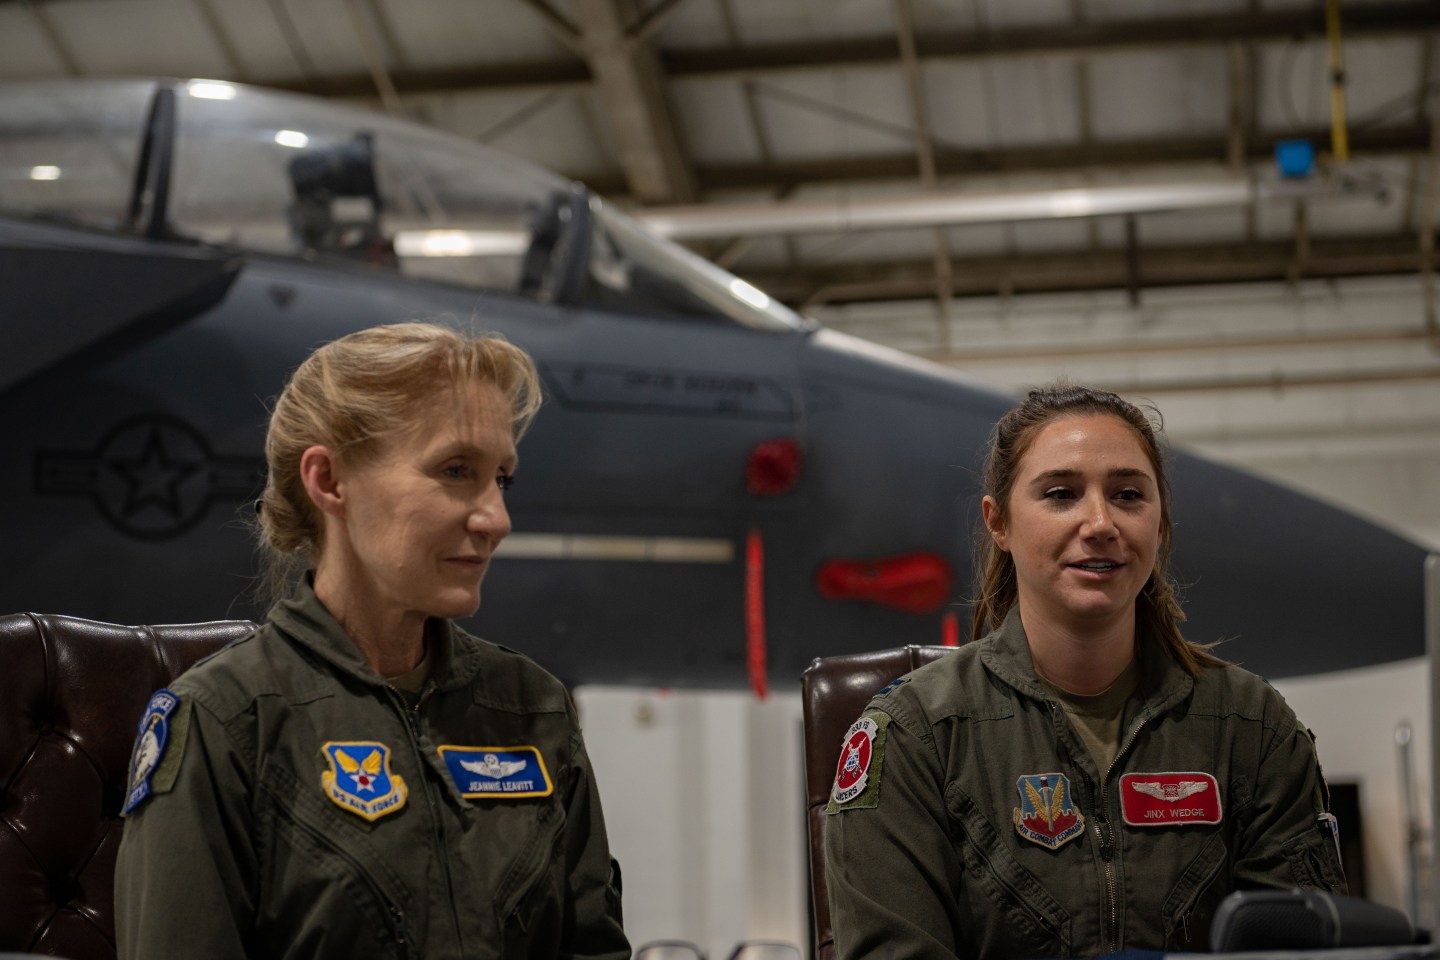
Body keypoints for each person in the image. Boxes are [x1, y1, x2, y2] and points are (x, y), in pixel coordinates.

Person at [115, 322, 629, 960]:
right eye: (456, 470)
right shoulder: (226, 724)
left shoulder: (532, 711)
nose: (496, 518)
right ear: (329, 481)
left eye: (503, 477)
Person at [823, 384, 1345, 959]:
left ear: (1160, 522)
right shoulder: (914, 738)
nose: (1100, 522)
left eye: (1127, 495)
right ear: (998, 522)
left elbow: (1305, 948)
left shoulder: (1251, 727)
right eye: (1061, 494)